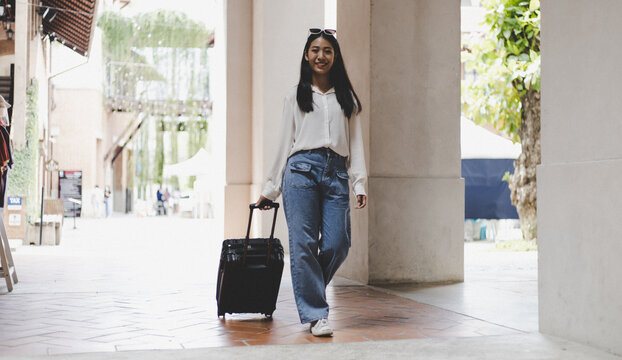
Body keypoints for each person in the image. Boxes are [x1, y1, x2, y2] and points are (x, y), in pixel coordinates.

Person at [255, 28, 367, 337]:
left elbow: (355, 143)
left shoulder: (347, 97)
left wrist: (360, 182)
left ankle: (310, 288)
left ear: (335, 56)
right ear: (307, 55)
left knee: (338, 243)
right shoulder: (296, 95)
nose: (321, 55)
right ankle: (317, 315)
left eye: (328, 50)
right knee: (303, 244)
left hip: (337, 172)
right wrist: (270, 189)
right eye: (315, 50)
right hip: (300, 172)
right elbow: (283, 143)